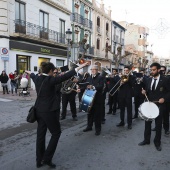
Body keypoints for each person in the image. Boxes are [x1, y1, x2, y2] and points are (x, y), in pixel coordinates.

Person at [25, 61, 88, 168]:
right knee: (56, 133)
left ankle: (39, 160)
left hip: (38, 111)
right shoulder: (51, 80)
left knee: (40, 135)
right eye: (53, 71)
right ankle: (47, 158)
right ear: (50, 71)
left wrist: (28, 71)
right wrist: (81, 66)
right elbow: (68, 75)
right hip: (49, 111)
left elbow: (32, 74)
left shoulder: (38, 78)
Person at [138, 63, 170, 151]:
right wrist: (144, 92)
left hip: (160, 105)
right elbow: (147, 91)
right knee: (147, 123)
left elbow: (169, 92)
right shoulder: (148, 79)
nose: (152, 71)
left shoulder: (165, 80)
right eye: (151, 70)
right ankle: (146, 140)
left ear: (159, 70)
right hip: (149, 104)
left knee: (158, 125)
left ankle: (157, 142)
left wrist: (164, 98)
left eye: (154, 70)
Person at [82, 65, 104, 136]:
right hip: (89, 98)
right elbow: (86, 85)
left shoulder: (100, 77)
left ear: (97, 70)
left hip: (97, 99)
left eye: (94, 69)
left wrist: (93, 87)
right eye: (92, 69)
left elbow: (101, 86)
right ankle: (89, 126)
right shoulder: (89, 77)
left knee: (97, 115)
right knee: (90, 113)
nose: (92, 71)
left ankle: (98, 129)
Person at [152, 65, 170, 136]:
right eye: (160, 70)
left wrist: (165, 98)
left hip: (167, 100)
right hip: (158, 100)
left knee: (165, 116)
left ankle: (166, 129)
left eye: (163, 71)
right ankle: (157, 127)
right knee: (158, 115)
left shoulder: (167, 78)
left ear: (164, 71)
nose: (161, 72)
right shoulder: (156, 78)